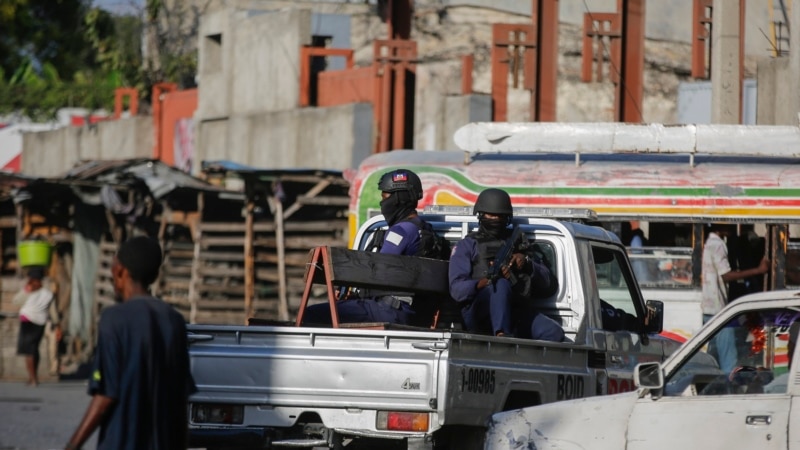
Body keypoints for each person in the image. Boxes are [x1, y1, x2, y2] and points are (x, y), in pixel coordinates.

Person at [65, 236, 196, 450]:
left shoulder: (114, 319)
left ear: (120, 270)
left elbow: (106, 394)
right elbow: (181, 400)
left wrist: (72, 445)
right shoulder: (174, 320)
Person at [303, 168, 441, 326]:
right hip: (414, 313)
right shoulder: (426, 230)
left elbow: (377, 274)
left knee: (311, 314)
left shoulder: (400, 231)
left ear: (399, 198)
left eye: (385, 196)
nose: (383, 202)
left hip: (390, 310)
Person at [448, 188, 564, 341]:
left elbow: (549, 283)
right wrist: (483, 283)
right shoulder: (468, 245)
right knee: (500, 284)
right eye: (491, 215)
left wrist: (527, 264)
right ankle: (502, 337)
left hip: (514, 309)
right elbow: (456, 289)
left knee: (553, 333)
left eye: (500, 216)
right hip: (479, 312)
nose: (495, 219)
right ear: (481, 215)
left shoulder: (517, 244)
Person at [701, 223, 769, 374]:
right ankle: (729, 389)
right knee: (729, 360)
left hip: (707, 307)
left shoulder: (709, 243)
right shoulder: (718, 244)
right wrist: (758, 270)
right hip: (717, 309)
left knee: (711, 357)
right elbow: (726, 275)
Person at [14, 266, 59, 386]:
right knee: (34, 349)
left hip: (27, 322)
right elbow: (53, 311)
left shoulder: (28, 291)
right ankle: (34, 377)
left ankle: (32, 378)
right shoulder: (48, 293)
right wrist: (56, 323)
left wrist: (26, 290)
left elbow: (16, 301)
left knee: (29, 351)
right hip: (40, 323)